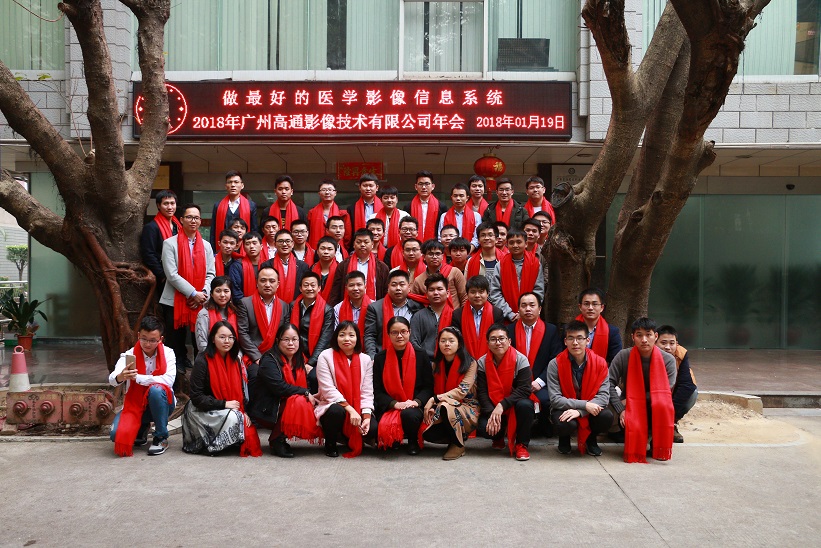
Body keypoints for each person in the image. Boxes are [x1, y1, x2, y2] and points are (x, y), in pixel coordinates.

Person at [182, 321, 262, 456]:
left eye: (231, 337)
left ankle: (228, 440)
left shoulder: (236, 360)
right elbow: (196, 397)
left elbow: (241, 391)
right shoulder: (202, 361)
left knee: (241, 420)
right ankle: (213, 444)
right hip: (203, 410)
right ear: (213, 339)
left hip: (228, 407)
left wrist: (244, 411)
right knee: (234, 418)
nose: (227, 341)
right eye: (222, 337)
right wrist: (224, 404)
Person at [160, 204, 215, 385]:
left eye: (196, 217)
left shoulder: (206, 246)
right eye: (189, 217)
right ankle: (175, 379)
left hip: (201, 301)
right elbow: (172, 274)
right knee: (175, 341)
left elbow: (211, 274)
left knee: (200, 340)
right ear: (182, 220)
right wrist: (193, 293)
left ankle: (201, 376)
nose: (193, 221)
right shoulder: (169, 244)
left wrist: (203, 293)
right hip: (174, 301)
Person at [608, 317, 677, 463]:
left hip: (654, 405)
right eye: (639, 335)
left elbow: (665, 391)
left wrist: (632, 401)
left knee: (663, 405)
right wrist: (621, 409)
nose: (644, 340)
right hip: (629, 406)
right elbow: (608, 384)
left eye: (648, 335)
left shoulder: (668, 360)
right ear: (633, 337)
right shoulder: (623, 356)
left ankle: (657, 443)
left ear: (655, 336)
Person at [248, 323, 320, 458]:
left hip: (284, 404)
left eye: (294, 339)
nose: (291, 343)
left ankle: (281, 437)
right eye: (286, 339)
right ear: (277, 341)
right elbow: (279, 387)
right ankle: (277, 439)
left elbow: (306, 385)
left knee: (304, 401)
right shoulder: (269, 360)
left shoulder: (299, 358)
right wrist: (305, 392)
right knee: (299, 401)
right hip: (267, 409)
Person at [108, 316, 176, 457]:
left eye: (152, 340)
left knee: (156, 389)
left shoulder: (168, 353)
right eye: (144, 339)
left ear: (160, 339)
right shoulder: (129, 354)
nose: (148, 344)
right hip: (136, 405)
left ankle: (161, 437)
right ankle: (143, 426)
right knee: (116, 435)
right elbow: (112, 379)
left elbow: (168, 380)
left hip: (163, 404)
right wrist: (122, 376)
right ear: (138, 335)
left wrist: (138, 378)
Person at [545, 320, 613, 456]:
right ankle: (564, 439)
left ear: (587, 340)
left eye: (580, 338)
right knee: (564, 422)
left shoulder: (600, 363)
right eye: (571, 338)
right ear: (565, 341)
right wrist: (585, 405)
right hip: (564, 407)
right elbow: (555, 399)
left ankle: (591, 440)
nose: (575, 343)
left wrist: (580, 411)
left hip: (590, 407)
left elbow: (604, 397)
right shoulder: (555, 364)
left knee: (606, 416)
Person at [373, 317, 434, 455]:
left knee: (409, 414)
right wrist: (394, 404)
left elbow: (428, 386)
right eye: (394, 332)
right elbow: (377, 390)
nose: (399, 336)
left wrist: (416, 402)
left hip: (414, 405)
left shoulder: (421, 355)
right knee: (378, 430)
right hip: (390, 405)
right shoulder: (380, 358)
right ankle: (394, 439)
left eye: (403, 331)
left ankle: (412, 441)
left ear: (409, 332)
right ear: (388, 335)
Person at [315, 321, 375, 458]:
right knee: (336, 411)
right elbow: (328, 390)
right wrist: (351, 410)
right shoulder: (325, 356)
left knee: (373, 429)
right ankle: (330, 443)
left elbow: (367, 391)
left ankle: (347, 437)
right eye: (342, 335)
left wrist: (366, 416)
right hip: (332, 404)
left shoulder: (365, 359)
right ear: (336, 337)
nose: (347, 339)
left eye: (351, 335)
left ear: (357, 338)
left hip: (358, 406)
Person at [475, 324, 535, 461]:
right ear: (488, 343)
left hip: (515, 403)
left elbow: (524, 389)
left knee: (525, 405)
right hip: (493, 404)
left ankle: (521, 445)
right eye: (493, 339)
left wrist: (502, 405)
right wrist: (492, 413)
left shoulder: (520, 359)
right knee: (484, 428)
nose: (498, 343)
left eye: (501, 338)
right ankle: (498, 436)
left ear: (509, 341)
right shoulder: (482, 362)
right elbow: (482, 392)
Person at [507, 292, 562, 436]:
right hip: (516, 382)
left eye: (532, 305)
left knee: (546, 399)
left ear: (540, 309)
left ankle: (543, 425)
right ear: (518, 309)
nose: (528, 309)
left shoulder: (551, 330)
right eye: (524, 305)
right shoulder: (509, 331)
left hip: (541, 381)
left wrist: (540, 381)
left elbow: (556, 359)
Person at [422, 327, 480, 460]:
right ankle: (454, 437)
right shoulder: (436, 365)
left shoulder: (470, 363)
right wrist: (434, 405)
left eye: (451, 341)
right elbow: (434, 389)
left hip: (467, 406)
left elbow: (461, 391)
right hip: (442, 404)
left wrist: (435, 399)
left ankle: (458, 444)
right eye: (443, 341)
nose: (446, 344)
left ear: (459, 344)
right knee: (427, 432)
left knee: (444, 406)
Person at [236, 266, 291, 364]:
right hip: (254, 356)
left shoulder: (284, 306)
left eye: (272, 281)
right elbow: (243, 333)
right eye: (263, 280)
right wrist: (257, 358)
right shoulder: (245, 303)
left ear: (278, 284)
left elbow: (284, 335)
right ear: (257, 283)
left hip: (277, 356)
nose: (267, 284)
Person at [363, 269, 424, 358]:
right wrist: (372, 357)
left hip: (412, 355)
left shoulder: (418, 307)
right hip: (383, 355)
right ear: (388, 287)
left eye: (402, 284)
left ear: (409, 287)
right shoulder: (375, 308)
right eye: (394, 285)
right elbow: (370, 335)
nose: (398, 288)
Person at [488, 229, 544, 322]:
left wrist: (526, 311)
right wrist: (510, 314)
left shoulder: (535, 264)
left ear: (526, 244)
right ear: (507, 244)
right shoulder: (500, 265)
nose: (515, 245)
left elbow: (538, 291)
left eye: (519, 242)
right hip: (507, 318)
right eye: (511, 243)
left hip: (530, 316)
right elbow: (495, 293)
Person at [289, 272, 334, 388]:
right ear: (300, 288)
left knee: (313, 377)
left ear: (319, 288)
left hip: (316, 358)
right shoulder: (293, 306)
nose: (309, 288)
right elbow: (288, 332)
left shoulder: (327, 310)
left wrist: (310, 363)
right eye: (306, 285)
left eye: (313, 285)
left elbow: (325, 339)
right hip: (294, 354)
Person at [656, 325, 698, 443]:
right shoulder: (647, 353)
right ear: (655, 341)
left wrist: (670, 414)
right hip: (653, 395)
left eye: (672, 343)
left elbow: (687, 385)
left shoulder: (681, 354)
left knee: (692, 393)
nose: (668, 347)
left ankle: (671, 424)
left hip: (672, 395)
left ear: (677, 344)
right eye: (663, 343)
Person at [328, 228, 389, 306]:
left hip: (374, 308)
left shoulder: (382, 267)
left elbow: (385, 293)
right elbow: (336, 291)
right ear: (354, 244)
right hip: (347, 307)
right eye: (359, 242)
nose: (362, 245)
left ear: (372, 244)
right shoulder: (343, 265)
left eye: (366, 242)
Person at [451, 275, 505, 359]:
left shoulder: (497, 313)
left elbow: (498, 340)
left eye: (481, 291)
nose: (477, 295)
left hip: (491, 359)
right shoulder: (457, 314)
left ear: (487, 293)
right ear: (467, 294)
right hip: (464, 360)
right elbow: (457, 341)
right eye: (473, 292)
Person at [140, 190, 180, 302]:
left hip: (180, 275)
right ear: (158, 205)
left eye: (172, 203)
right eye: (166, 204)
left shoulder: (178, 226)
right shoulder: (151, 227)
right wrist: (163, 275)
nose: (170, 207)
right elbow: (148, 254)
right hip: (163, 277)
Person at [410, 273, 454, 361]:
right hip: (424, 362)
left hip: (449, 362)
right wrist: (425, 361)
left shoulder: (455, 315)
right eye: (431, 290)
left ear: (447, 293)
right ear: (426, 294)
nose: (436, 293)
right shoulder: (418, 316)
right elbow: (414, 343)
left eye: (439, 289)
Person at [410, 239, 467, 307]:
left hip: (454, 313)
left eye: (437, 254)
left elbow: (464, 297)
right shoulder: (419, 280)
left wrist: (461, 313)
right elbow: (414, 303)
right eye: (430, 254)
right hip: (430, 313)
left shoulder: (454, 272)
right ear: (424, 257)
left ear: (442, 256)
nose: (434, 257)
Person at [209, 170, 258, 250]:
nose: (233, 185)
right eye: (230, 182)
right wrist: (213, 251)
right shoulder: (218, 206)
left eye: (236, 182)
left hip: (243, 249)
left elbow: (254, 231)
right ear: (226, 186)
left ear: (242, 185)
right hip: (224, 248)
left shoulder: (251, 206)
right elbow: (213, 232)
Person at [576, 287, 623, 364]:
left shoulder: (612, 332)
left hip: (601, 371)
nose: (590, 308)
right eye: (586, 304)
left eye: (595, 304)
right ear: (580, 307)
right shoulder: (569, 329)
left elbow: (616, 362)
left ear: (602, 307)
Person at [195, 276, 239, 353]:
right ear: (211, 294)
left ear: (231, 293)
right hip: (209, 356)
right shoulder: (204, 314)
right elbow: (202, 345)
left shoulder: (236, 313)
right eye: (218, 291)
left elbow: (240, 341)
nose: (222, 295)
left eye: (226, 291)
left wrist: (237, 356)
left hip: (233, 355)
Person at [267, 229, 310, 302]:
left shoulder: (303, 266)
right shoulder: (267, 265)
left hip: (296, 304)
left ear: (293, 244)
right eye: (280, 241)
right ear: (275, 244)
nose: (284, 244)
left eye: (287, 241)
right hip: (273, 304)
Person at [307, 180, 351, 249]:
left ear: (335, 193)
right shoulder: (312, 213)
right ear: (319, 193)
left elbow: (347, 236)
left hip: (337, 249)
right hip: (316, 249)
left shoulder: (343, 213)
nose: (327, 192)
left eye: (330, 190)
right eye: (324, 190)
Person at [405, 170, 447, 242]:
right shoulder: (408, 206)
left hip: (434, 244)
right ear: (416, 186)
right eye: (420, 184)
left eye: (427, 184)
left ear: (433, 186)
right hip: (413, 244)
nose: (424, 187)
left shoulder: (441, 207)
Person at [228, 232, 263, 302]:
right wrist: (248, 306)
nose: (251, 246)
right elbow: (236, 293)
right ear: (243, 247)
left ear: (261, 246)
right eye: (247, 244)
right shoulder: (237, 266)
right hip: (244, 305)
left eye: (254, 243)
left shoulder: (267, 265)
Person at [374, 186, 407, 250]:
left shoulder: (404, 216)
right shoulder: (373, 217)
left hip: (400, 249)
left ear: (397, 200)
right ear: (381, 200)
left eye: (392, 197)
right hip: (378, 249)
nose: (389, 200)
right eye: (386, 198)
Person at [312, 236, 340, 303]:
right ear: (317, 251)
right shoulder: (312, 269)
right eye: (323, 248)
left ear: (335, 252)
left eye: (330, 249)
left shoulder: (340, 270)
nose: (326, 252)